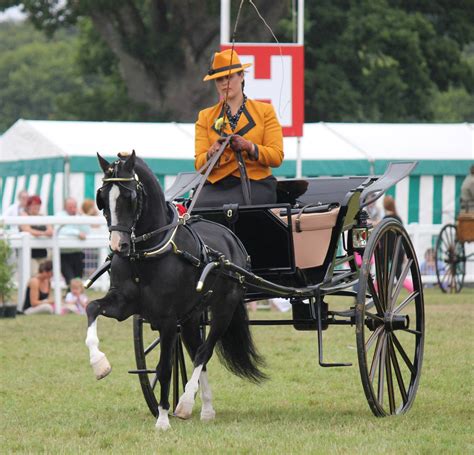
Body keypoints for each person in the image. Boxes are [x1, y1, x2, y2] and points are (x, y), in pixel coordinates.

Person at [194, 49, 284, 207]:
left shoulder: (265, 111)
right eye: (219, 79)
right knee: (196, 208)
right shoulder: (205, 116)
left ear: (241, 76)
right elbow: (199, 165)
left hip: (255, 183)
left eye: (229, 77)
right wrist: (212, 152)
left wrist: (249, 146)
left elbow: (276, 157)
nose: (224, 83)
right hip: (217, 186)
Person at [56, 197, 90, 286]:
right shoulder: (59, 215)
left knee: (78, 278)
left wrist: (81, 216)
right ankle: (70, 296)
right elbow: (60, 231)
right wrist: (77, 233)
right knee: (70, 279)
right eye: (70, 207)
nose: (73, 209)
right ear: (65, 207)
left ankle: (74, 297)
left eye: (74, 206)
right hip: (64, 253)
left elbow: (87, 231)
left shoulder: (79, 216)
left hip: (78, 252)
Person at [19, 195, 53, 275]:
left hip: (42, 252)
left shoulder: (42, 216)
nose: (36, 207)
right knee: (35, 275)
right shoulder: (24, 215)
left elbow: (50, 230)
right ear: (29, 205)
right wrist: (43, 233)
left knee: (44, 275)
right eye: (34, 204)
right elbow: (27, 229)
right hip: (29, 254)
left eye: (38, 204)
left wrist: (44, 232)